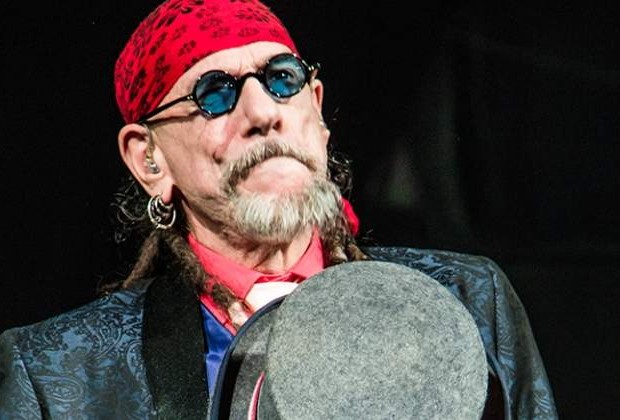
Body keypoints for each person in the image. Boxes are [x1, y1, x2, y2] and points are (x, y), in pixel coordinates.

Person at [0, 0, 558, 418]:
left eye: (282, 79)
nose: (263, 112)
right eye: (214, 94)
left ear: (316, 115)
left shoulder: (466, 300)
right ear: (151, 160)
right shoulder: (61, 371)